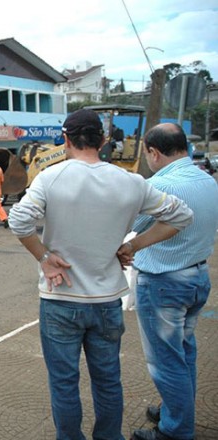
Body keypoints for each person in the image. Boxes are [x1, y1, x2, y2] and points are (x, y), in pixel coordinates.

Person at [7, 109, 193, 440]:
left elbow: (19, 220)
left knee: (64, 382)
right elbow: (181, 215)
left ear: (65, 140)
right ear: (104, 141)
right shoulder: (132, 182)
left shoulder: (51, 177)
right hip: (107, 301)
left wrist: (45, 257)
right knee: (108, 380)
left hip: (60, 299)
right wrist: (134, 245)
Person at [120, 123, 218, 440]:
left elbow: (131, 223)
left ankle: (175, 430)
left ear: (154, 152)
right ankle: (176, 411)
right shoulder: (207, 180)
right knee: (184, 353)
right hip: (198, 277)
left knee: (165, 362)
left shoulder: (162, 184)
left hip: (165, 283)